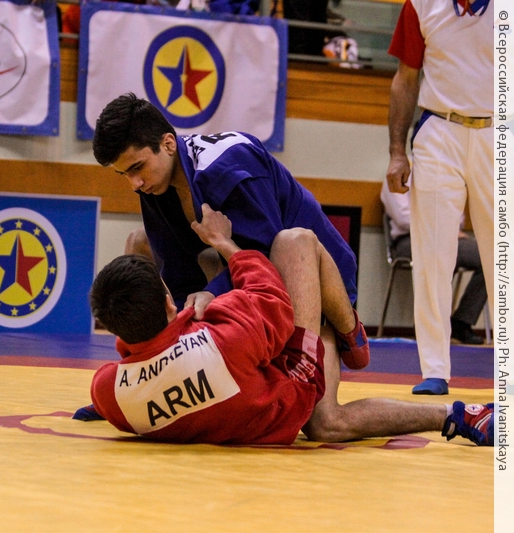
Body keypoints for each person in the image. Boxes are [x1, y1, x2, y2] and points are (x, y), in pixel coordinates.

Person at [85, 205, 493, 447]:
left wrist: (185, 320)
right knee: (294, 242)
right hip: (291, 387)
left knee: (144, 240)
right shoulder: (222, 335)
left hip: (237, 391)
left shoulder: (109, 393)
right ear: (168, 302)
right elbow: (274, 300)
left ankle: (451, 413)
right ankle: (350, 330)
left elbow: (139, 363)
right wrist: (226, 245)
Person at [92, 93, 366, 368]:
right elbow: (178, 272)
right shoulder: (154, 183)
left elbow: (268, 257)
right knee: (139, 241)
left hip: (314, 273)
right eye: (125, 174)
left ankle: (346, 328)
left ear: (168, 144)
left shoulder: (229, 166)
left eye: (137, 167)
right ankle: (146, 360)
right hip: (247, 272)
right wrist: (182, 330)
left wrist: (213, 292)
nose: (135, 183)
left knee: (289, 242)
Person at [384, 0, 492, 395]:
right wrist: (397, 151)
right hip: (438, 132)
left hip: (499, 131)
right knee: (431, 256)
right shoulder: (420, 4)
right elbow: (405, 78)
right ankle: (434, 369)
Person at [380, 180, 487, 345]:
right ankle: (430, 323)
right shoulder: (398, 176)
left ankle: (461, 322)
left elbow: (458, 217)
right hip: (411, 239)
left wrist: (446, 231)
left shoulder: (444, 177)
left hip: (448, 237)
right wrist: (440, 230)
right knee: (441, 252)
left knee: (491, 257)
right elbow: (403, 218)